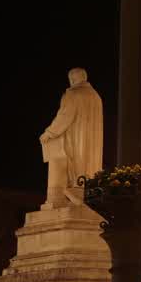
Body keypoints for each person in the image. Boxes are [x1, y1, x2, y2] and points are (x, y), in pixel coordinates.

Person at [40, 68, 104, 207]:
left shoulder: (73, 94)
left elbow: (64, 117)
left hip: (75, 141)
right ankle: (87, 191)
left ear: (73, 79)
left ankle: (71, 194)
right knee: (87, 171)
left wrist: (48, 133)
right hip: (92, 147)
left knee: (74, 171)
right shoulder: (96, 97)